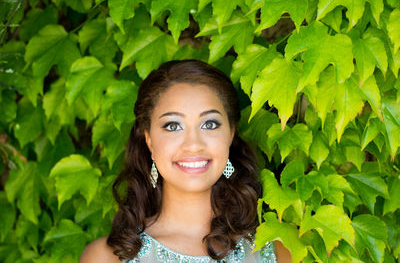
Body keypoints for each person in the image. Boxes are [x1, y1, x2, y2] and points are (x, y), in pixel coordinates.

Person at [80, 60, 292, 262]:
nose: (193, 144)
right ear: (149, 140)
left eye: (209, 124)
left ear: (230, 134)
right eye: (173, 126)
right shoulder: (107, 257)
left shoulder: (279, 247)